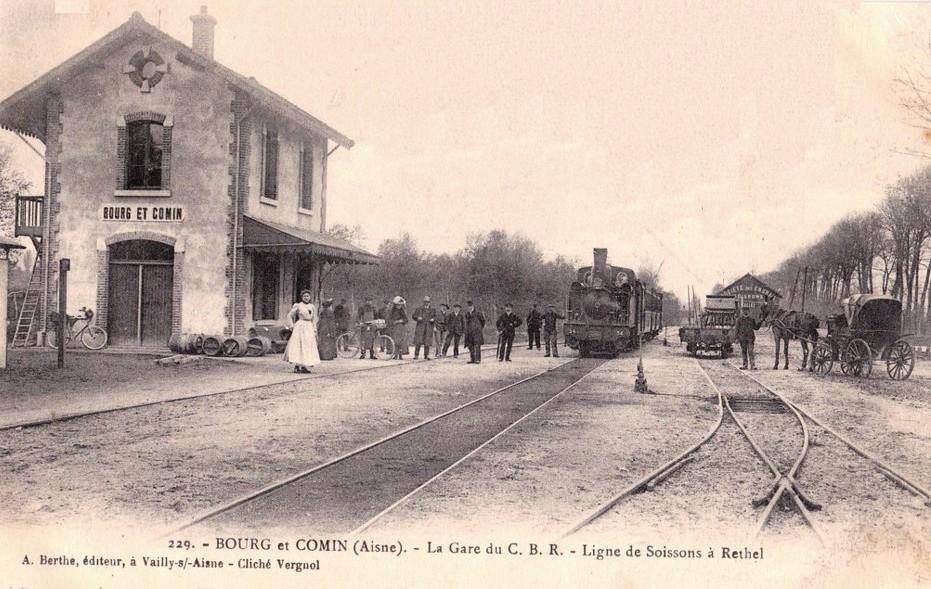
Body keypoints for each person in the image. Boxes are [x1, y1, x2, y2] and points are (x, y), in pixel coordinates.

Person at [283, 290, 320, 373]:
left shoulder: (312, 306)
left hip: (309, 327)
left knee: (307, 346)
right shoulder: (298, 305)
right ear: (302, 297)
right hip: (300, 326)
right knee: (299, 345)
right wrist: (291, 326)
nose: (306, 298)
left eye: (307, 296)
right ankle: (297, 366)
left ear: (310, 297)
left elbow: (314, 319)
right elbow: (289, 315)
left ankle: (304, 366)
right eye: (304, 296)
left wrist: (314, 329)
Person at [411, 295, 437, 360]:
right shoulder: (419, 309)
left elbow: (436, 317)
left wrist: (433, 319)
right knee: (418, 342)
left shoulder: (433, 310)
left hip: (428, 327)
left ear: (430, 302)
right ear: (423, 302)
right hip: (420, 327)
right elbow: (413, 316)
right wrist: (417, 318)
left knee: (427, 342)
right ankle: (416, 355)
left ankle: (426, 355)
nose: (426, 303)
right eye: (425, 302)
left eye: (427, 302)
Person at [356, 295, 378, 359]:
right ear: (365, 301)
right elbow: (358, 316)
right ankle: (363, 354)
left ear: (372, 301)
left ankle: (372, 354)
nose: (369, 302)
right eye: (367, 301)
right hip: (364, 325)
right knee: (363, 340)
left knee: (372, 339)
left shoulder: (374, 308)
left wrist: (376, 322)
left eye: (370, 301)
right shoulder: (362, 308)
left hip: (372, 326)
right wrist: (358, 322)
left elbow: (376, 316)